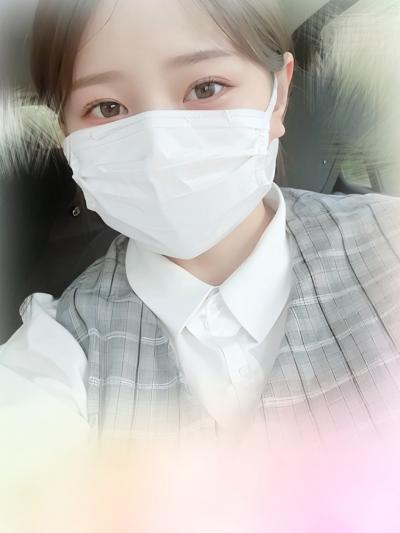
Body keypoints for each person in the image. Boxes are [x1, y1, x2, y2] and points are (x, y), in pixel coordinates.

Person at [1, 0, 400, 449]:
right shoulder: (59, 345)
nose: (159, 152)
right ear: (68, 138)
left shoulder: (387, 240)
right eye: (108, 108)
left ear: (279, 95)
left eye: (206, 88)